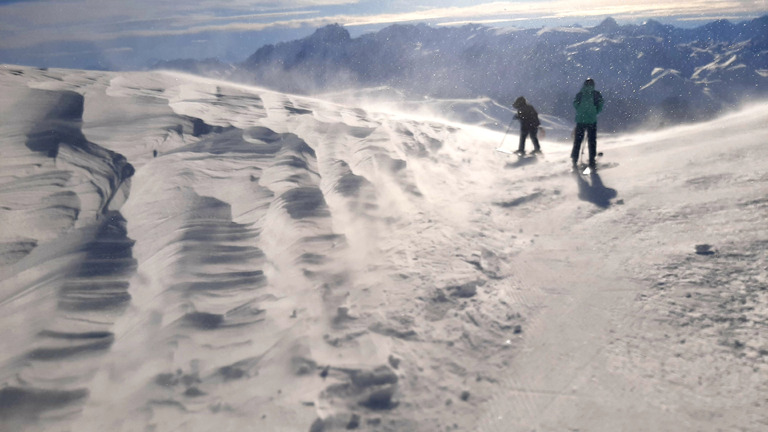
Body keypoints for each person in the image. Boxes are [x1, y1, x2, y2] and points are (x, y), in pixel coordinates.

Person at [571, 78, 604, 170]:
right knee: (592, 141)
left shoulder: (580, 94)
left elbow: (575, 104)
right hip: (592, 121)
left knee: (577, 141)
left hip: (580, 121)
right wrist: (595, 111)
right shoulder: (596, 94)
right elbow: (601, 104)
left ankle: (574, 161)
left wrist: (581, 111)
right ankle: (592, 162)